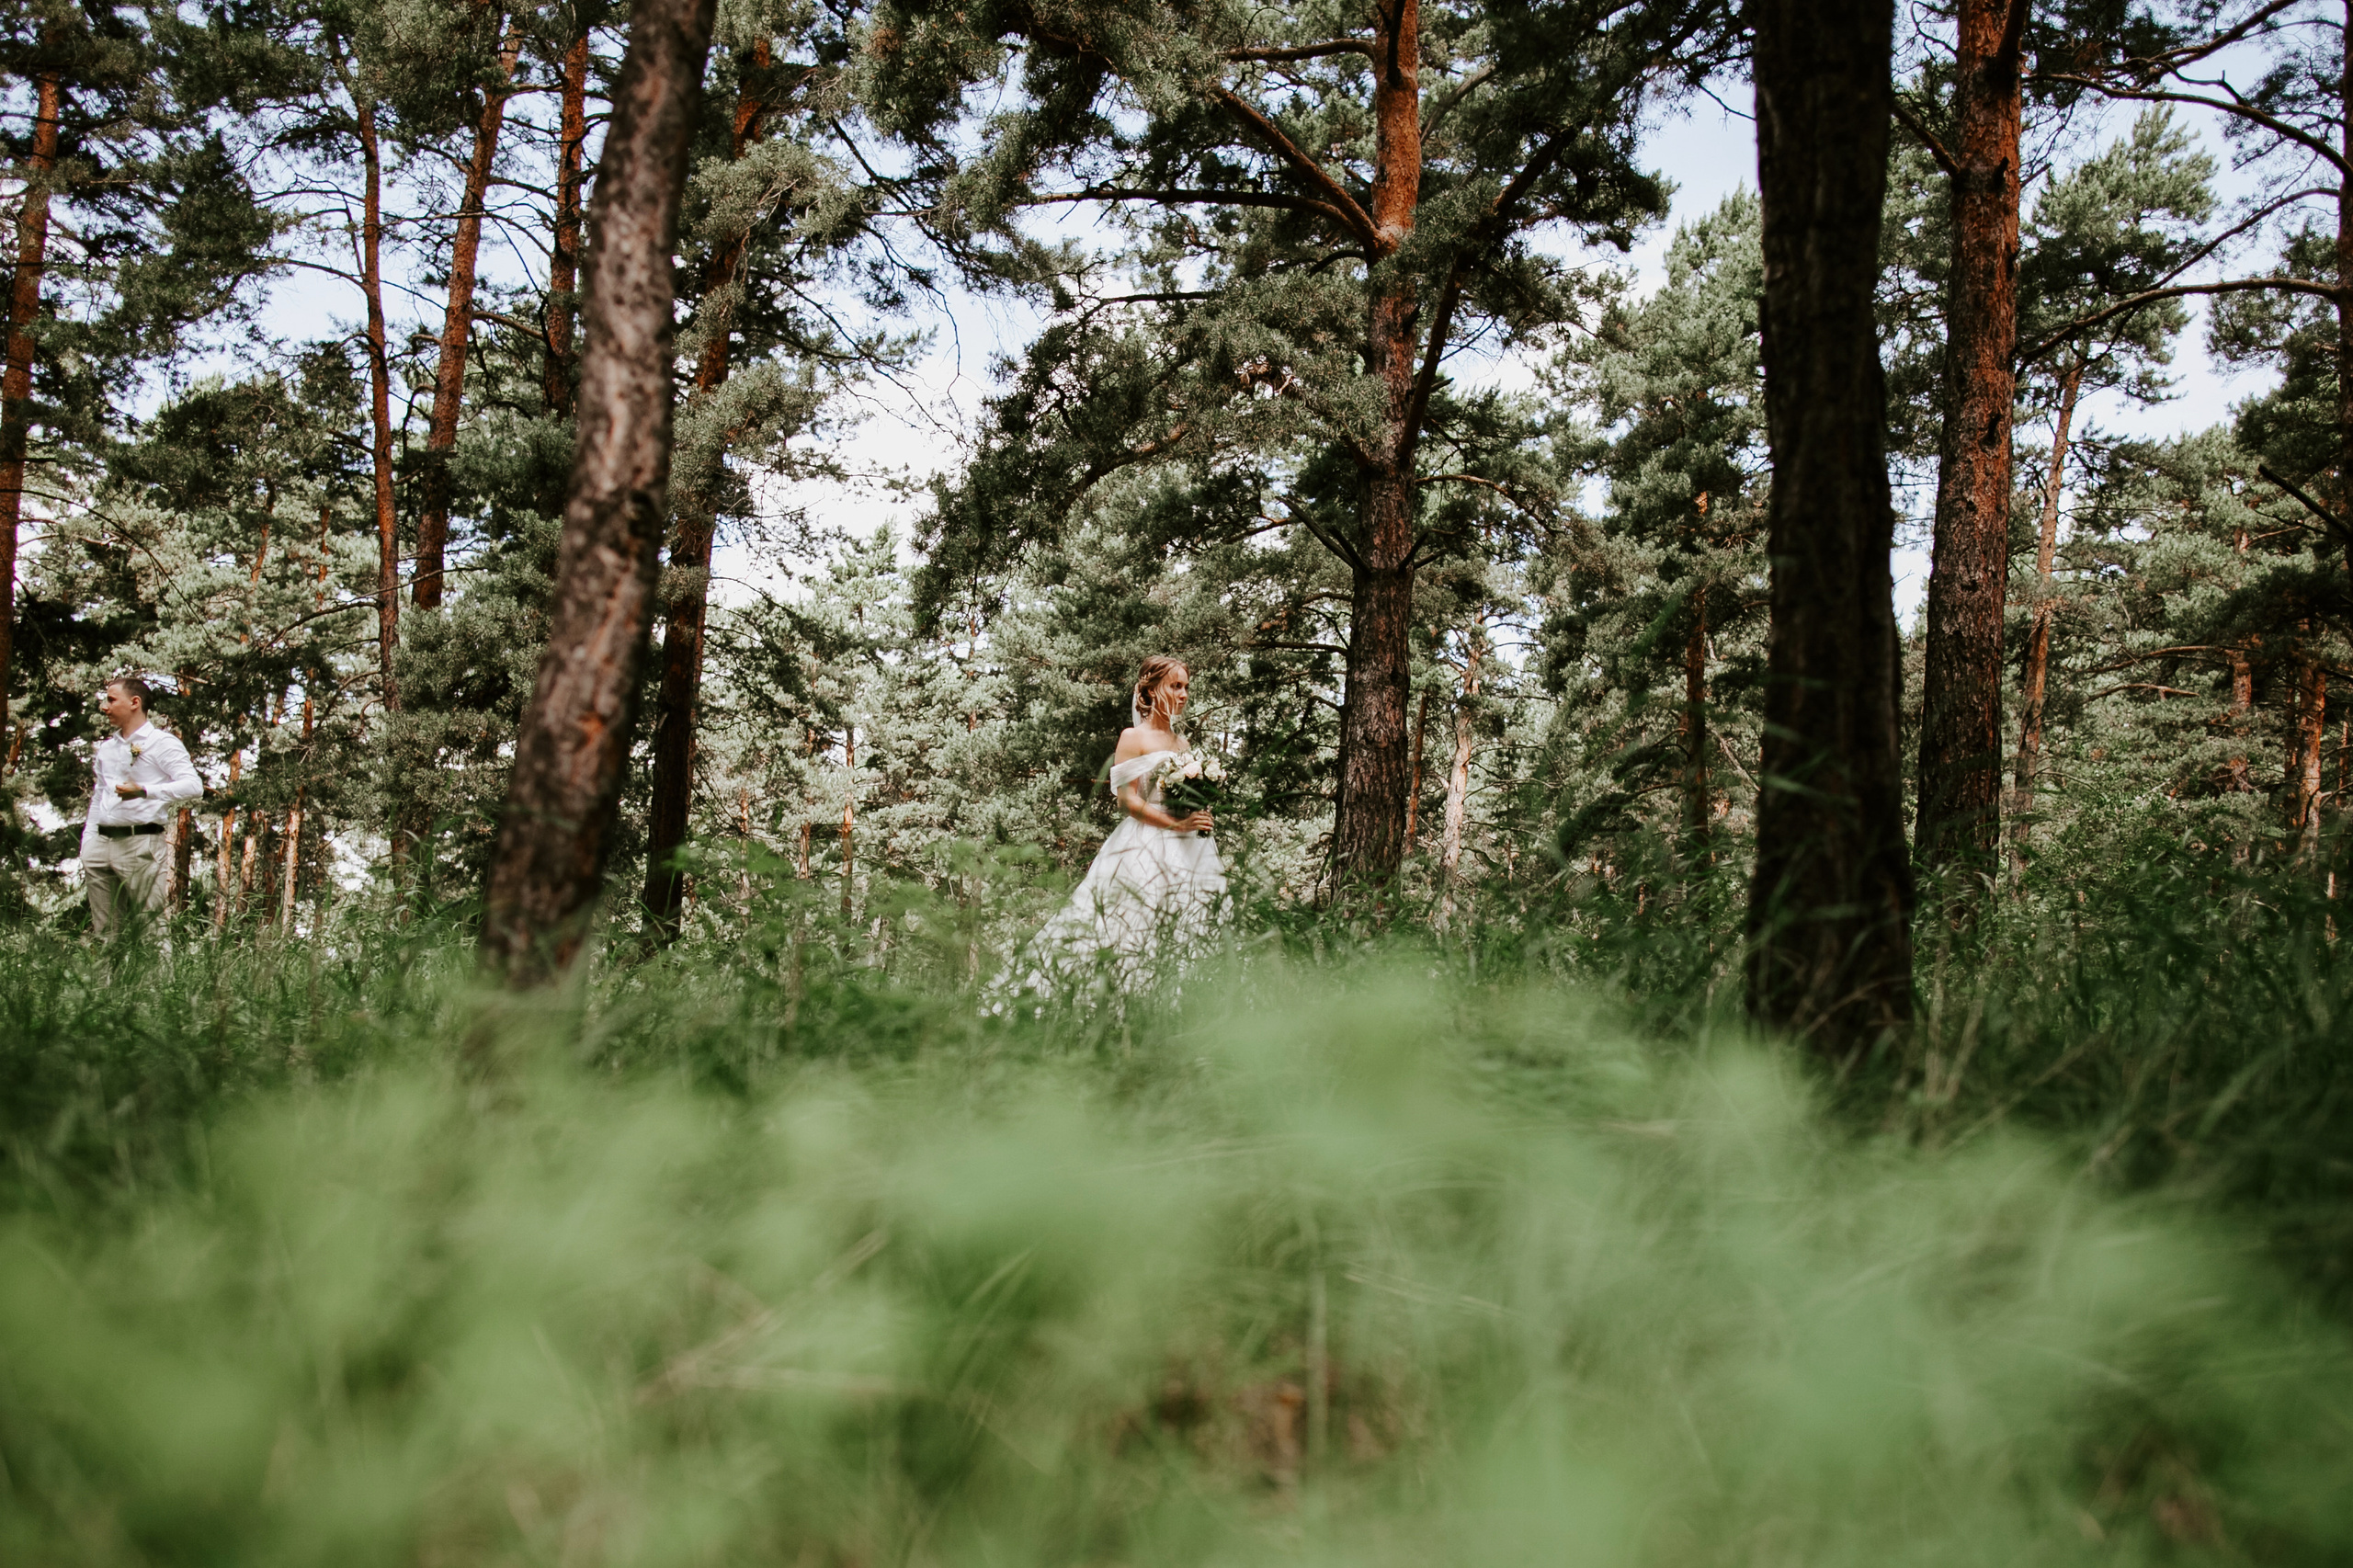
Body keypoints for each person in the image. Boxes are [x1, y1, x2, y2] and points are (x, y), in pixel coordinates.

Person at [1015, 654, 1230, 993]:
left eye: (1187, 686)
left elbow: (1186, 793)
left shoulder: (1183, 743)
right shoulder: (1132, 737)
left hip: (1192, 846)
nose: (1184, 694)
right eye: (1176, 686)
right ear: (1152, 688)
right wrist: (1176, 826)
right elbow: (1127, 801)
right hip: (1146, 843)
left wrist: (1199, 811)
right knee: (1131, 920)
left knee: (1194, 918)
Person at [81, 676, 202, 938]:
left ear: (135, 702)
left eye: (112, 700)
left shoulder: (162, 742)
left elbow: (193, 786)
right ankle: (108, 982)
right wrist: (88, 842)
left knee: (152, 930)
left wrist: (145, 791)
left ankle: (160, 982)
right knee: (105, 933)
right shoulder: (106, 749)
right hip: (100, 846)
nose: (105, 707)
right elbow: (99, 794)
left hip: (140, 843)